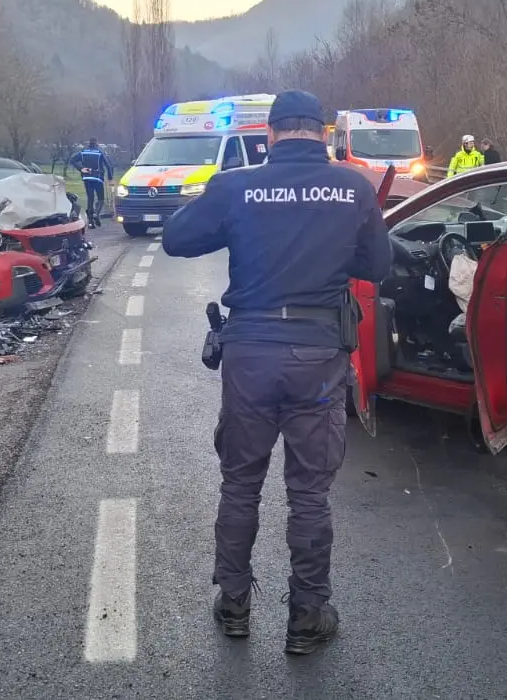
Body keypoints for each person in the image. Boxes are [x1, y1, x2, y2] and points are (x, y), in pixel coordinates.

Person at [162, 89, 390, 655]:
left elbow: (176, 240)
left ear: (270, 135)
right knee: (309, 491)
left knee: (241, 482)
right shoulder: (354, 186)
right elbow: (378, 265)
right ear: (323, 133)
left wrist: (233, 219)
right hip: (317, 356)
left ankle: (235, 604)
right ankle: (308, 615)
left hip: (251, 353)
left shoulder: (237, 184)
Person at [69, 138, 115, 227]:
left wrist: (81, 168)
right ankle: (96, 214)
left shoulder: (83, 152)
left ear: (89, 144)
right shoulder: (100, 152)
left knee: (90, 198)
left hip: (87, 178)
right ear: (96, 144)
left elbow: (72, 160)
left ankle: (90, 222)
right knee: (101, 198)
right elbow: (109, 165)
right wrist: (110, 178)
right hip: (98, 178)